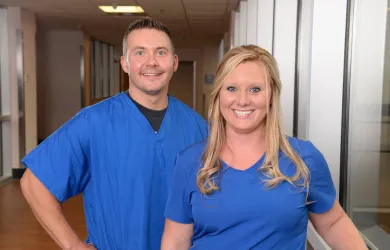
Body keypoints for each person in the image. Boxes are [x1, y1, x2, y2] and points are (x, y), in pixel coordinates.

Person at [20, 17, 208, 250]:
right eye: (140, 53)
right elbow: (33, 182)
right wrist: (72, 245)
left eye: (161, 52)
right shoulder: (94, 122)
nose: (151, 62)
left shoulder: (197, 128)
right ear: (125, 63)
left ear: (174, 62)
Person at [161, 45, 367, 250]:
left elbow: (333, 223)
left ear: (271, 96)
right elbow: (176, 240)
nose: (242, 100)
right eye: (231, 88)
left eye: (255, 89)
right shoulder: (191, 161)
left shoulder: (303, 158)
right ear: (219, 95)